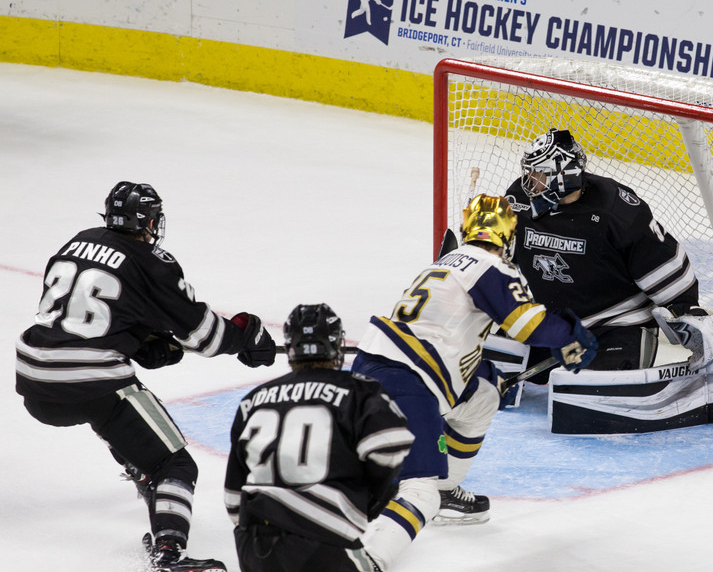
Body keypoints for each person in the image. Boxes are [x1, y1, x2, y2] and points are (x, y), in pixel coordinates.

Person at [14, 181, 277, 572]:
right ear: (150, 219)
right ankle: (169, 554)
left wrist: (139, 341)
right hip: (91, 380)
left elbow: (82, 317)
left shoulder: (75, 243)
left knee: (111, 412)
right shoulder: (153, 261)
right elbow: (205, 335)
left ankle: (141, 468)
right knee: (176, 465)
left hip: (34, 377)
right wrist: (247, 335)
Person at [351, 194, 597, 570]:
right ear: (508, 238)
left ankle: (446, 489)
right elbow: (527, 326)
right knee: (420, 492)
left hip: (373, 368)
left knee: (483, 395)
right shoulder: (492, 266)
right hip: (409, 382)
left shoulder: (447, 262)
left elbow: (445, 334)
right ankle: (369, 561)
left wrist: (488, 375)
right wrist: (570, 333)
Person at [503, 128, 713, 382]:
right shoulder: (520, 199)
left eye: (539, 173)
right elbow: (500, 253)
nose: (529, 181)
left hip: (616, 325)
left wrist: (687, 312)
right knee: (488, 347)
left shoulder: (615, 208)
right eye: (529, 171)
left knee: (590, 392)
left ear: (564, 175)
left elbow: (661, 262)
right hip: (552, 322)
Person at [225, 303, 414, 572]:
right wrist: (370, 499)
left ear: (290, 348)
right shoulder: (360, 392)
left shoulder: (253, 400)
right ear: (337, 345)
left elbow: (233, 497)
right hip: (322, 539)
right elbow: (391, 445)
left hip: (253, 545)